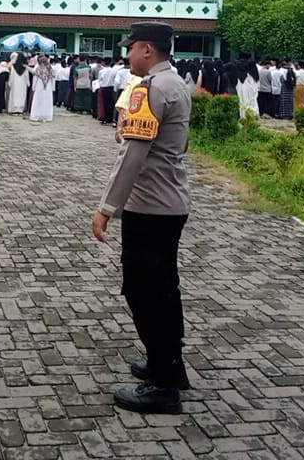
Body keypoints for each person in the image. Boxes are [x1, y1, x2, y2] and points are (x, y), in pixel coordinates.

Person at [92, 22, 191, 415]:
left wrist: (105, 208)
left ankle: (163, 385)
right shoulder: (176, 83)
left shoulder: (149, 89)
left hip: (149, 205)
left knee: (144, 291)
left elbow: (132, 156)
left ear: (147, 50)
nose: (127, 55)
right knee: (165, 287)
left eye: (131, 48)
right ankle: (168, 363)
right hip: (171, 202)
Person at [29, 55, 56, 122]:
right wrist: (53, 88)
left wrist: (33, 88)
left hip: (39, 86)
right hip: (48, 87)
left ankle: (36, 116)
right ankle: (47, 116)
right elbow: (53, 79)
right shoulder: (50, 69)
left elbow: (35, 79)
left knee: (38, 100)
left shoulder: (37, 68)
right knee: (47, 101)